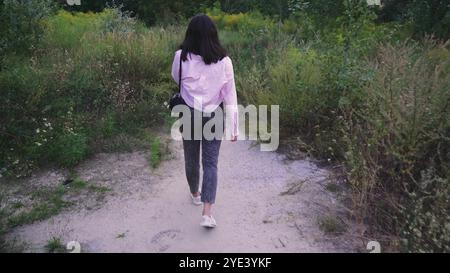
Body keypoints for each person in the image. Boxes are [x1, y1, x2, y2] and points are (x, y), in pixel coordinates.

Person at [171, 14, 239, 228]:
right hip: (214, 115)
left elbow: (176, 78)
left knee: (191, 158)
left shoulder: (180, 57)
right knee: (211, 163)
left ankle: (195, 193)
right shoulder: (224, 62)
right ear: (213, 35)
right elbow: (230, 95)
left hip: (188, 113)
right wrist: (233, 126)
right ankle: (207, 213)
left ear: (190, 34)